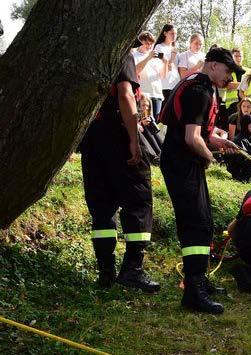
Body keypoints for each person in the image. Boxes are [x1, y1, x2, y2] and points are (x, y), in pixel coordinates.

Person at [158, 47, 241, 314]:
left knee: (203, 221)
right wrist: (210, 156)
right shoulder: (200, 91)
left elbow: (194, 132)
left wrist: (218, 141)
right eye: (227, 71)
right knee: (195, 223)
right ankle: (193, 291)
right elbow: (191, 139)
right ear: (213, 65)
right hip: (182, 162)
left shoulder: (198, 83)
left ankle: (200, 279)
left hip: (183, 159)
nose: (229, 78)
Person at [78, 52, 160, 293]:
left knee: (102, 209)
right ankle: (132, 271)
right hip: (118, 136)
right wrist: (134, 139)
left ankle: (106, 272)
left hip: (92, 141)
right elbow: (125, 94)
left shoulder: (88, 55)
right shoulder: (120, 55)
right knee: (139, 203)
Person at [131, 32, 166, 117]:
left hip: (157, 94)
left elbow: (162, 76)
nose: (149, 46)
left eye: (151, 44)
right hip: (143, 95)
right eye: (147, 43)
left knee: (154, 124)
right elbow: (135, 71)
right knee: (143, 122)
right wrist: (148, 58)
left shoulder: (156, 57)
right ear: (141, 42)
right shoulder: (134, 55)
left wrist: (165, 63)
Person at [154, 24, 179, 102]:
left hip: (175, 83)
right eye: (172, 33)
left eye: (175, 34)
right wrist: (172, 57)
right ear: (165, 33)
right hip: (164, 84)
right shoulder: (159, 47)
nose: (174, 35)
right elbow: (164, 64)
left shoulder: (175, 49)